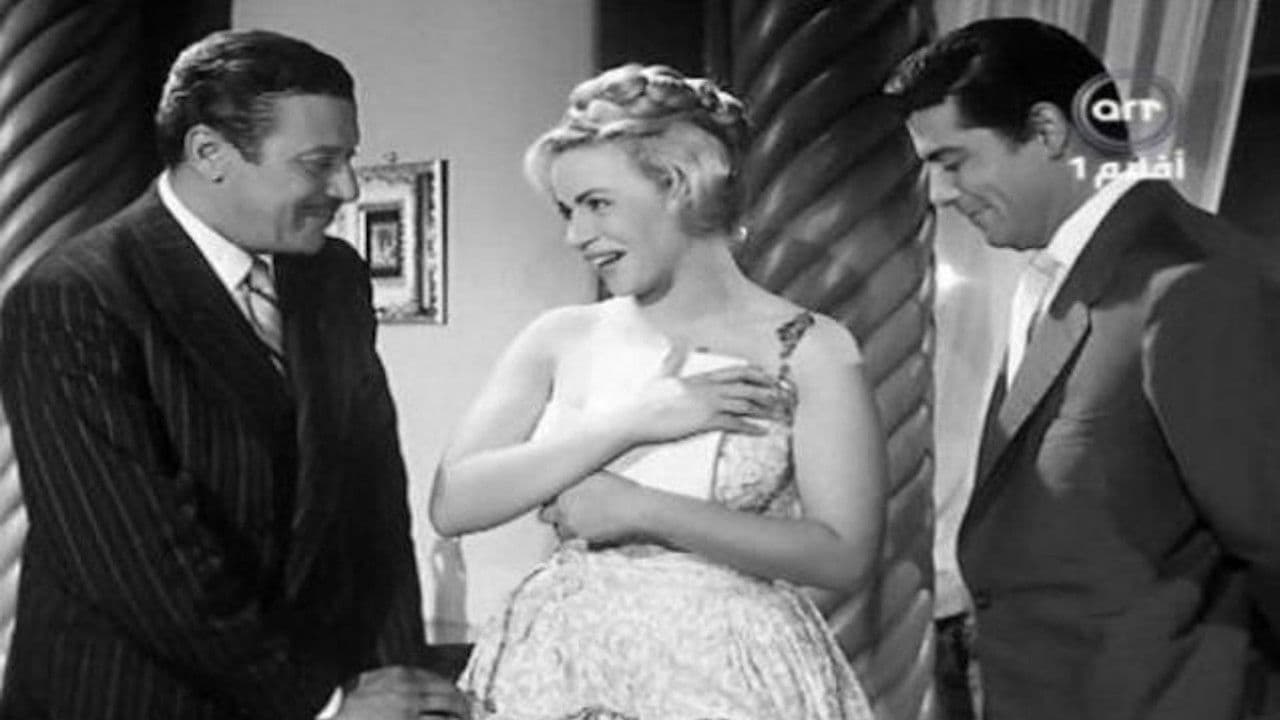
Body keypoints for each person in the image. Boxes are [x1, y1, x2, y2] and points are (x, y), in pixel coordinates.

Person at [0, 29, 469, 720]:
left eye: (348, 159)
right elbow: (139, 558)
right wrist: (325, 704)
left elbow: (369, 500)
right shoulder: (74, 295)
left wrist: (398, 680)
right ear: (209, 153)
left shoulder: (334, 277)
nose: (346, 188)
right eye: (320, 163)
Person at [429, 64, 887, 719]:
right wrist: (634, 420)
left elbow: (843, 556)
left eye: (597, 204)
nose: (576, 236)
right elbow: (455, 504)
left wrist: (642, 508)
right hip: (560, 667)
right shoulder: (560, 337)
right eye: (567, 210)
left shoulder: (809, 348)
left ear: (678, 187)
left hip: (728, 675)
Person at [885, 17, 1280, 720]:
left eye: (953, 161)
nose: (940, 194)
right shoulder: (1053, 277)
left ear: (1047, 131)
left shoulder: (1191, 284)